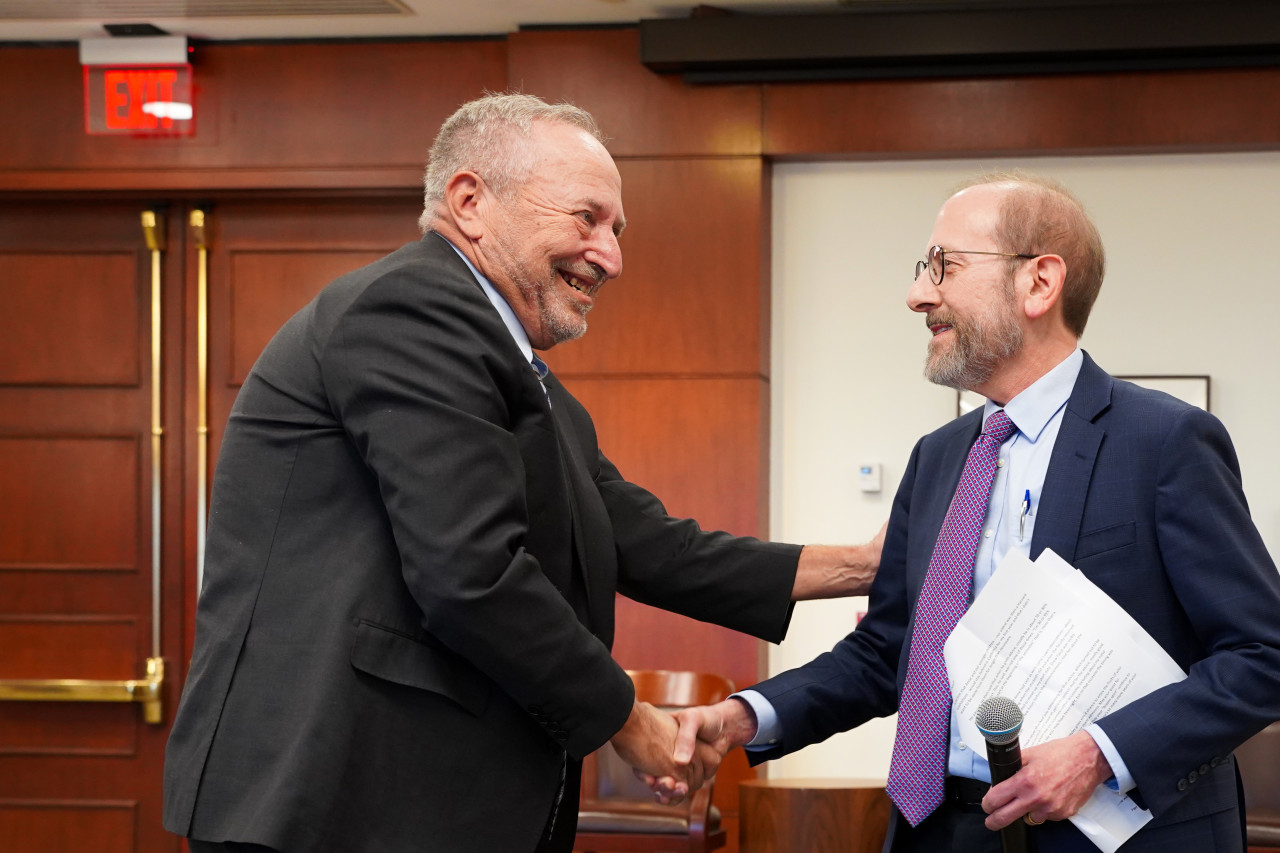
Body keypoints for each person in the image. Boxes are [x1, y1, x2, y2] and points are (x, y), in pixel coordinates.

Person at [161, 92, 884, 853]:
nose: (611, 255)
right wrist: (627, 719)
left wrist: (863, 566)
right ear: (471, 201)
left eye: (616, 229)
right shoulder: (410, 310)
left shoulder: (527, 380)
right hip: (330, 799)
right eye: (587, 218)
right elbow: (470, 572)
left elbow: (645, 541)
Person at [663, 172, 1280, 852]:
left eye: (943, 266)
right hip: (942, 830)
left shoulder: (1164, 442)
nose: (917, 294)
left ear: (1039, 283)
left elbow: (1263, 654)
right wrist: (748, 715)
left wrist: (1103, 751)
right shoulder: (938, 458)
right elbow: (890, 650)